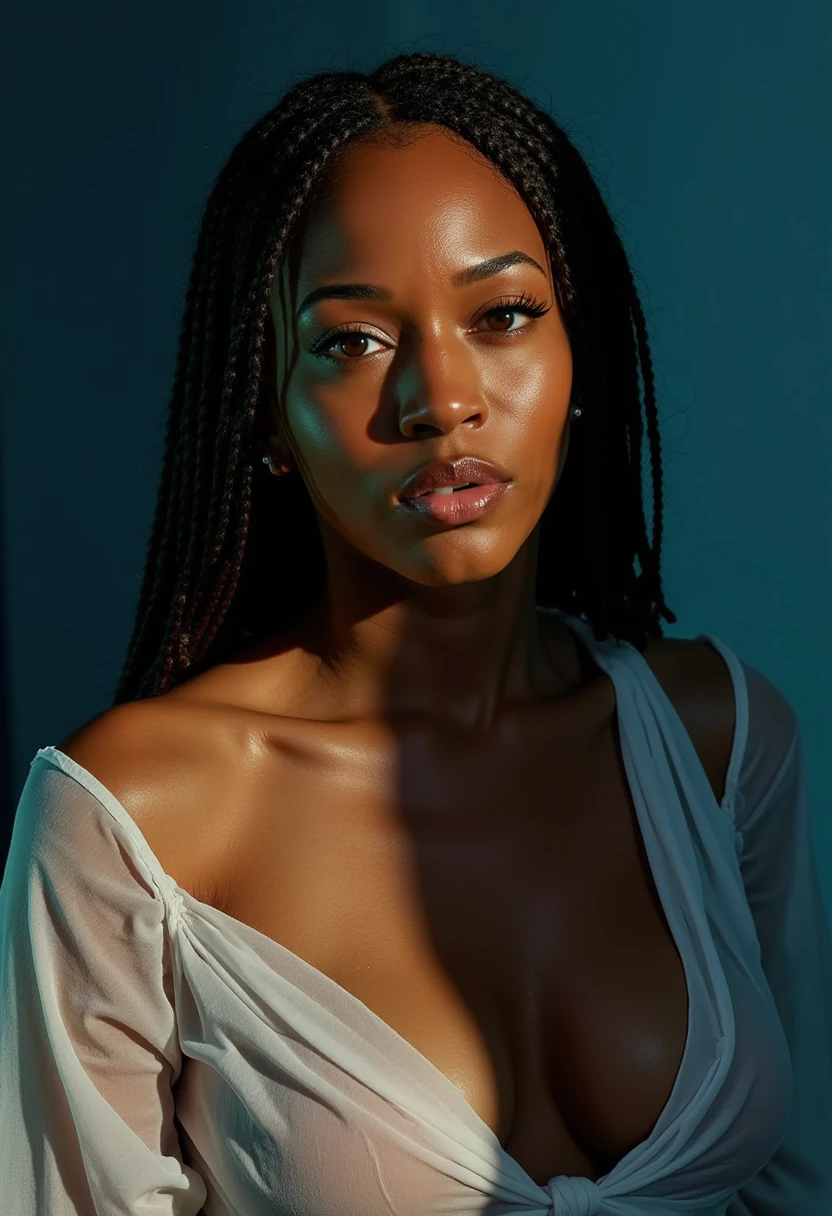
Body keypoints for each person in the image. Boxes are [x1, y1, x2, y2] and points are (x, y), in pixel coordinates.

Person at [1, 50, 830, 1216]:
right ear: (267, 410)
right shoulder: (140, 814)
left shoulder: (722, 742)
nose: (440, 398)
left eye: (501, 314)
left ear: (575, 357)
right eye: (352, 341)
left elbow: (795, 1184)